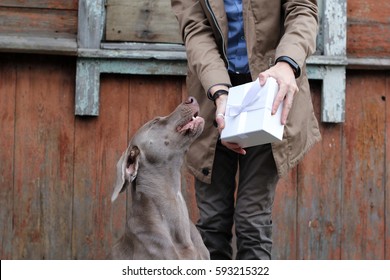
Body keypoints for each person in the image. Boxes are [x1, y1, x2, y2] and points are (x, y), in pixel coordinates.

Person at [171, 0, 321, 260]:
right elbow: (196, 29)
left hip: (272, 92)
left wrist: (287, 63)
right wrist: (219, 93)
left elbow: (302, 9)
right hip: (213, 95)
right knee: (212, 223)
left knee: (252, 221)